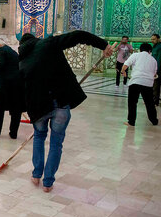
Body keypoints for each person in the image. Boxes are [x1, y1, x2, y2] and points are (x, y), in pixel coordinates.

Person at [18, 31, 112, 192]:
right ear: (36, 40)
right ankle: (48, 183)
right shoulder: (47, 43)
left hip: (38, 108)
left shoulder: (22, 61)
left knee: (39, 138)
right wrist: (103, 45)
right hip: (60, 102)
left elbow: (21, 91)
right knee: (56, 143)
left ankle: (36, 175)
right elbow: (78, 35)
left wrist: (25, 111)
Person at [121, 43, 158, 127]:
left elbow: (126, 64)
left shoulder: (135, 55)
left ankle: (131, 122)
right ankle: (154, 121)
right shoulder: (153, 60)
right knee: (149, 103)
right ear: (150, 51)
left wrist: (123, 72)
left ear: (140, 49)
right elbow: (154, 74)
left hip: (135, 81)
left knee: (132, 102)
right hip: (148, 83)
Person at [151, 34, 161, 107]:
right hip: (156, 69)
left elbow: (159, 60)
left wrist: (156, 71)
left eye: (154, 39)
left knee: (156, 86)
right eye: (151, 39)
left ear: (158, 39)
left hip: (159, 70)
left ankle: (155, 101)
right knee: (155, 86)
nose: (152, 41)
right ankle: (155, 100)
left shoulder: (159, 47)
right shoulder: (154, 47)